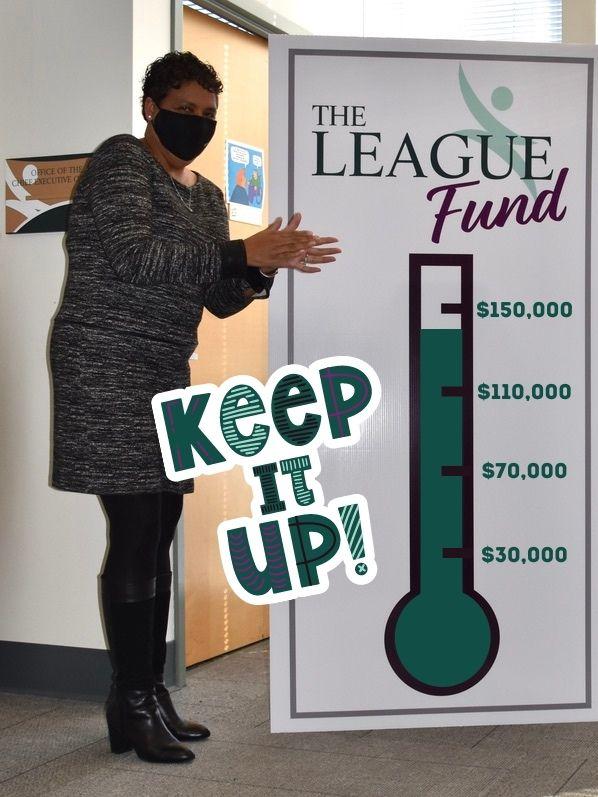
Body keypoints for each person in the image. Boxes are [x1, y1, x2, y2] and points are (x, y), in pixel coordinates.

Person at [48, 51, 341, 763]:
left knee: (161, 527)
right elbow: (134, 257)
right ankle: (134, 701)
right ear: (150, 108)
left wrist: (261, 268)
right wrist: (241, 252)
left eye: (208, 114)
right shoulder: (121, 163)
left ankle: (145, 694)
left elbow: (218, 296)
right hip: (104, 362)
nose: (197, 124)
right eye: (184, 110)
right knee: (136, 525)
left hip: (164, 369)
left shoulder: (207, 196)